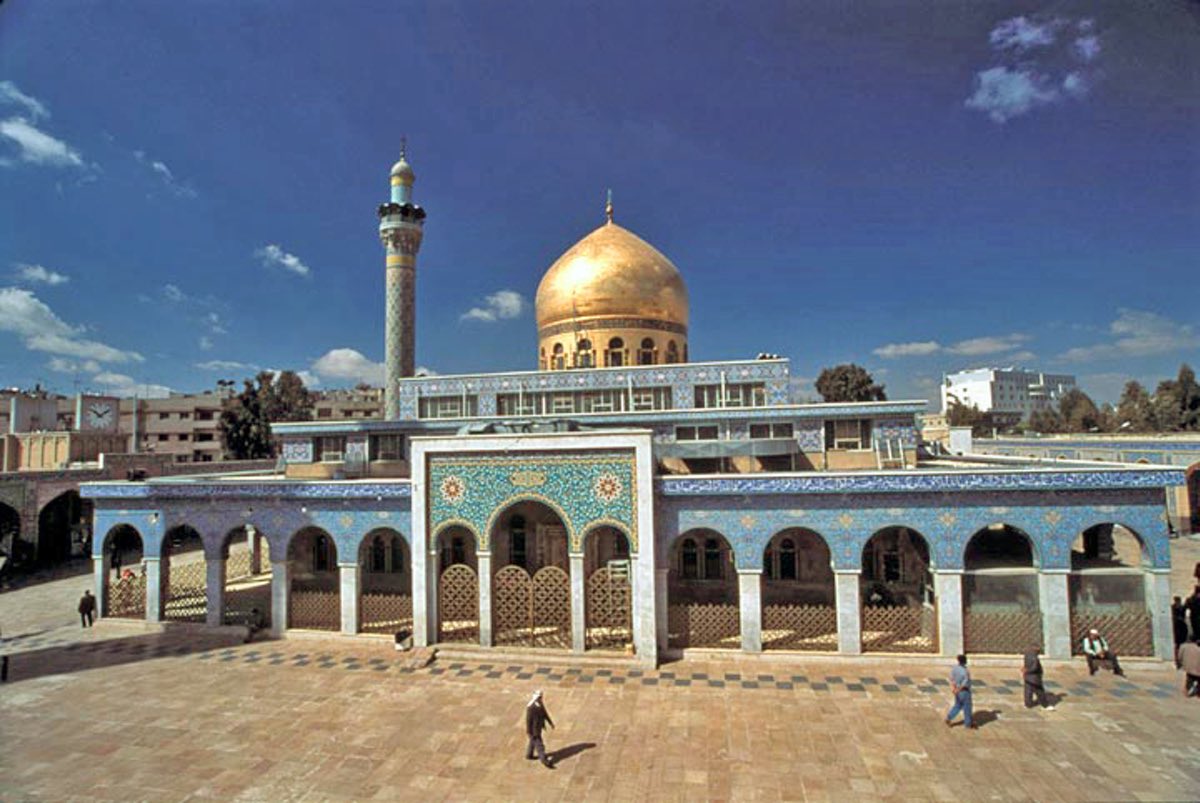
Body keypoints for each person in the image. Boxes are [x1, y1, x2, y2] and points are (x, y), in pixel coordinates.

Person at [525, 689, 556, 768]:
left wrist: (550, 723)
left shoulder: (540, 704)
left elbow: (545, 714)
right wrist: (529, 731)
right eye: (540, 697)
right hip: (534, 731)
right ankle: (545, 761)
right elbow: (528, 721)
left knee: (532, 742)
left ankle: (529, 755)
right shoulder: (531, 707)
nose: (541, 698)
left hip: (538, 728)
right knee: (540, 746)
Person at [945, 654, 974, 730]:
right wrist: (958, 689)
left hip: (957, 690)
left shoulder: (955, 668)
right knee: (967, 707)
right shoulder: (965, 671)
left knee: (957, 705)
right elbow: (965, 684)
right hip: (964, 691)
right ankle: (968, 724)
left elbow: (952, 679)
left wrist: (954, 689)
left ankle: (949, 717)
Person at [1172, 596, 1189, 668]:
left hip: (1179, 629)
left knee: (1179, 646)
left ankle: (1180, 662)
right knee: (1178, 646)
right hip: (1179, 629)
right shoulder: (1179, 608)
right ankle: (1179, 662)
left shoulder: (1177, 608)